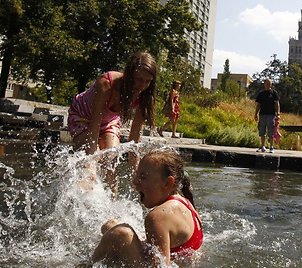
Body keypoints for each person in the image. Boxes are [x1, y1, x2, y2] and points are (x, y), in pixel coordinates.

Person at [91, 149, 203, 267]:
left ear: (168, 183)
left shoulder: (158, 217)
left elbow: (160, 266)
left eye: (143, 177)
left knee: (121, 233)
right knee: (110, 225)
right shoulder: (187, 202)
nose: (134, 182)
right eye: (137, 175)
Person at [67, 51, 157, 191]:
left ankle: (111, 209)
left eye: (148, 81)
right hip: (82, 117)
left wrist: (137, 174)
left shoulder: (145, 96)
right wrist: (90, 165)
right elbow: (94, 127)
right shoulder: (106, 83)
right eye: (139, 79)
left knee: (110, 167)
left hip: (109, 121)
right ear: (129, 74)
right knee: (90, 167)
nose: (142, 86)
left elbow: (134, 140)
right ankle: (79, 200)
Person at [254, 78, 280, 153]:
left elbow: (277, 103)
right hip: (262, 115)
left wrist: (278, 113)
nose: (269, 85)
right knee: (262, 131)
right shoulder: (261, 94)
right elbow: (258, 105)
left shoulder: (274, 93)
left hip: (271, 115)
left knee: (271, 131)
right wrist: (255, 114)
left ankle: (271, 147)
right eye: (267, 84)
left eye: (270, 84)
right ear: (264, 84)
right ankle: (263, 146)